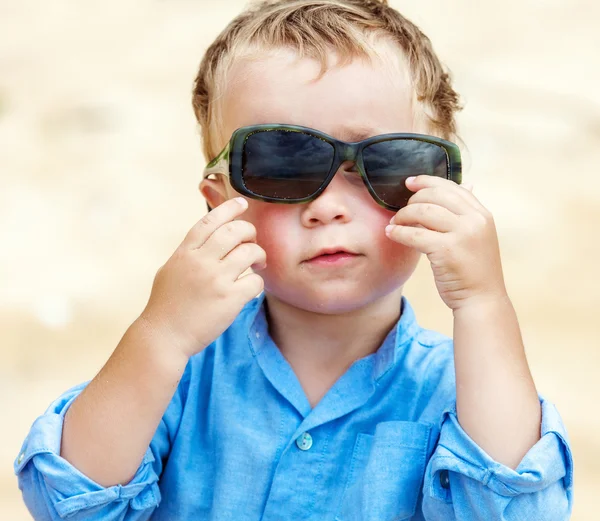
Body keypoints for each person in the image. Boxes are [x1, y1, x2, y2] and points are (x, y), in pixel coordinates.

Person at [15, 1, 573, 519]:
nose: (328, 207)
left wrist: (482, 302)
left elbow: (519, 507)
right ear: (220, 205)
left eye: (380, 163)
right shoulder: (181, 372)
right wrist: (159, 334)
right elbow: (71, 500)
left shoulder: (465, 388)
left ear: (441, 189)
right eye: (283, 166)